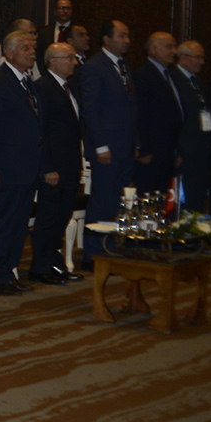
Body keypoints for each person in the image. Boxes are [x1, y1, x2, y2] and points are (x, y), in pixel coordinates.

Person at [0, 30, 43, 292]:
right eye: (25, 48)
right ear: (8, 52)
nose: (32, 52)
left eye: (33, 48)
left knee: (19, 223)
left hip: (28, 166)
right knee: (5, 222)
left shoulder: (26, 80)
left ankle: (9, 271)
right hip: (8, 167)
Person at [78, 20, 138, 258]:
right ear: (106, 39)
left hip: (124, 147)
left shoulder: (123, 66)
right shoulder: (94, 66)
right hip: (106, 149)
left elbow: (131, 109)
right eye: (121, 36)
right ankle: (94, 254)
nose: (127, 41)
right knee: (102, 202)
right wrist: (101, 145)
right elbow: (90, 110)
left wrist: (135, 143)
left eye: (128, 36)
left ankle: (110, 248)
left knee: (116, 202)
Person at [32, 43, 85, 285]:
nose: (75, 62)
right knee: (49, 216)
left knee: (62, 214)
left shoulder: (69, 86)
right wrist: (48, 167)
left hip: (70, 163)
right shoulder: (43, 87)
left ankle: (55, 263)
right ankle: (41, 266)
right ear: (52, 61)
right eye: (69, 58)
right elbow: (41, 130)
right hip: (53, 165)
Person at [132, 32, 184, 198]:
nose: (174, 51)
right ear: (153, 49)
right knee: (147, 198)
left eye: (174, 47)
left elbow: (175, 114)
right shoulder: (143, 75)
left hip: (168, 151)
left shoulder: (171, 75)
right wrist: (144, 148)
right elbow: (140, 114)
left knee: (162, 198)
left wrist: (176, 150)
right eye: (169, 47)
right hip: (151, 153)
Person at [173, 41, 211, 212]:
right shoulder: (174, 78)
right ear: (183, 58)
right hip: (185, 149)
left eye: (203, 58)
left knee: (198, 195)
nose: (202, 62)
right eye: (198, 57)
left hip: (200, 149)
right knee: (184, 197)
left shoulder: (196, 80)